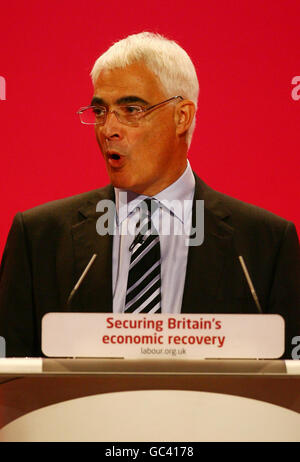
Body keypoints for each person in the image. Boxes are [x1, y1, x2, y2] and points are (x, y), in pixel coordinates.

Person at [0, 32, 299, 358]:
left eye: (131, 108)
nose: (108, 129)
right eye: (100, 111)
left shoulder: (264, 245)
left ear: (181, 116)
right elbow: (10, 381)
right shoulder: (39, 238)